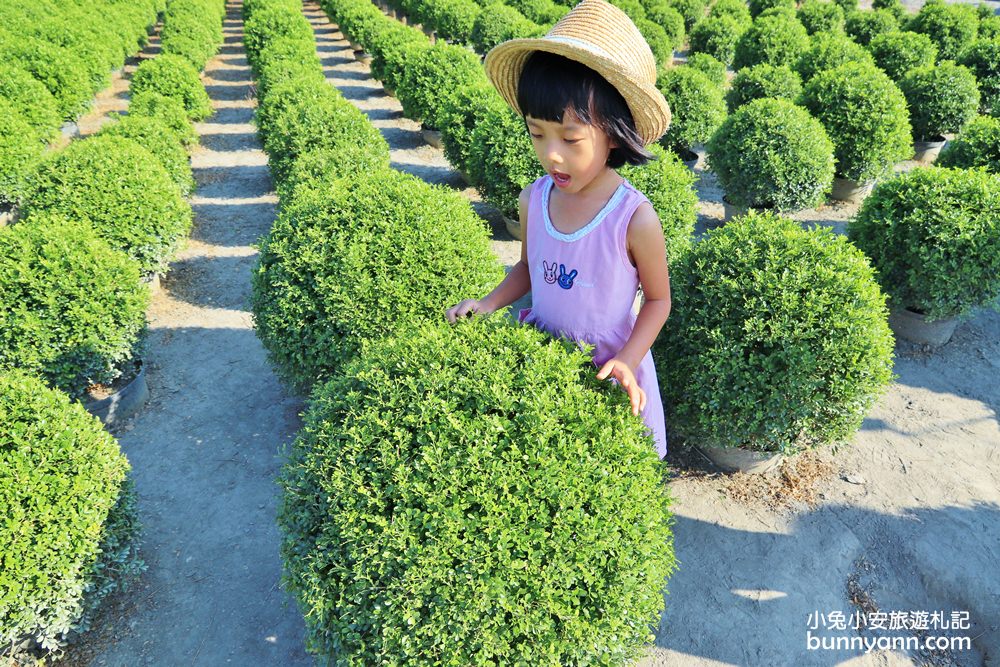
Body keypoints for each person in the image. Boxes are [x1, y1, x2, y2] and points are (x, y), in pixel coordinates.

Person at [444, 0, 673, 460]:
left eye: (570, 139)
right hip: (544, 352)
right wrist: (487, 303)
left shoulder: (633, 218)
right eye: (537, 133)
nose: (552, 155)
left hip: (608, 367)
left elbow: (658, 299)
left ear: (614, 132)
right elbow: (529, 267)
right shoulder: (534, 199)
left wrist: (627, 360)